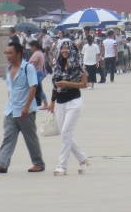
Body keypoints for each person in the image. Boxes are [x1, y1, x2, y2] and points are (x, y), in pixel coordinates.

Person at [0, 40, 45, 174]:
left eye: (10, 53)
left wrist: (26, 107)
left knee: (30, 138)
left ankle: (38, 163)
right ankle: (2, 164)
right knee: (8, 136)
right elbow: (10, 89)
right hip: (11, 110)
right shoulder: (8, 69)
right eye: (6, 53)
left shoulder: (28, 68)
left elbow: (33, 87)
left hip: (25, 111)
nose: (7, 56)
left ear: (19, 54)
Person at [48, 39, 91, 176]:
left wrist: (67, 84)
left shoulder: (78, 64)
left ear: (72, 49)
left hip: (74, 102)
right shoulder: (58, 64)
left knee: (66, 132)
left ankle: (62, 166)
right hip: (60, 102)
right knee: (65, 134)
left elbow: (84, 84)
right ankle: (83, 159)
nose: (64, 51)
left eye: (67, 48)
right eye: (62, 48)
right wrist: (52, 102)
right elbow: (55, 85)